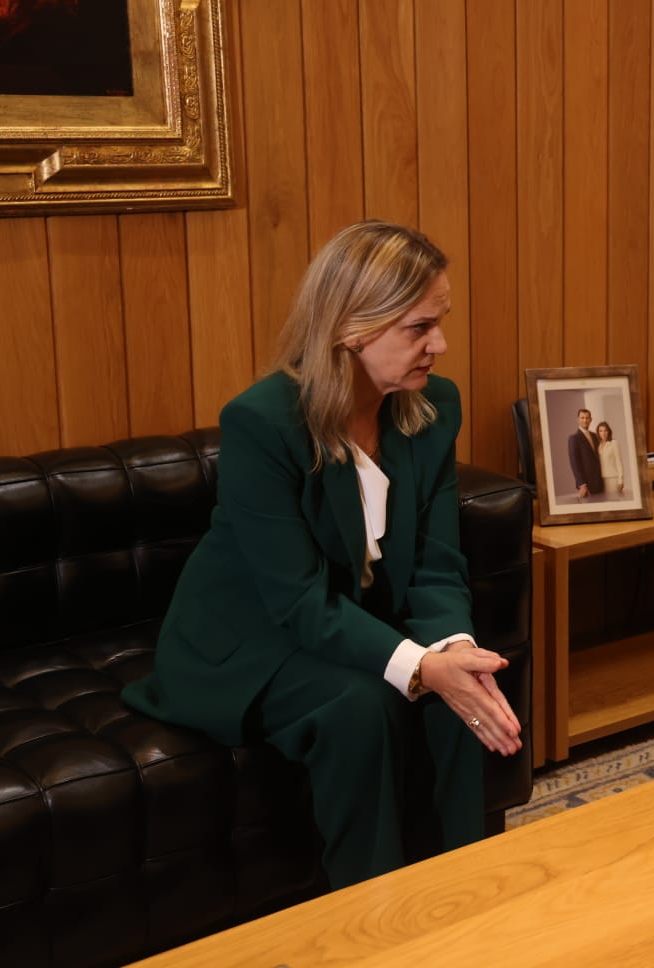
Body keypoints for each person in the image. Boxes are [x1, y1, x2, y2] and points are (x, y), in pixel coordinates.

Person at [123, 220, 522, 890]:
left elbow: (433, 559)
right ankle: (370, 924)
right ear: (349, 327)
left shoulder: (432, 406)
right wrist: (419, 665)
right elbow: (296, 601)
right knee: (359, 707)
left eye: (441, 321)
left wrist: (448, 650)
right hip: (250, 637)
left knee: (464, 694)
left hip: (346, 616)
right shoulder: (263, 422)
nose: (441, 345)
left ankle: (463, 903)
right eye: (419, 328)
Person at [567, 407, 604, 499]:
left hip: (600, 481)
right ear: (578, 420)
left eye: (587, 418)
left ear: (591, 419)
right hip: (587, 484)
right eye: (582, 418)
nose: (585, 420)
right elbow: (574, 463)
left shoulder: (595, 436)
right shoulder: (574, 438)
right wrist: (582, 484)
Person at [596, 420, 625, 495]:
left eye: (605, 430)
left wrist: (620, 480)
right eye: (601, 431)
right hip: (601, 479)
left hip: (613, 478)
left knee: (614, 500)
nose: (603, 433)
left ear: (609, 432)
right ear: (598, 433)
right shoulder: (598, 446)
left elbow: (619, 462)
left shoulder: (614, 443)